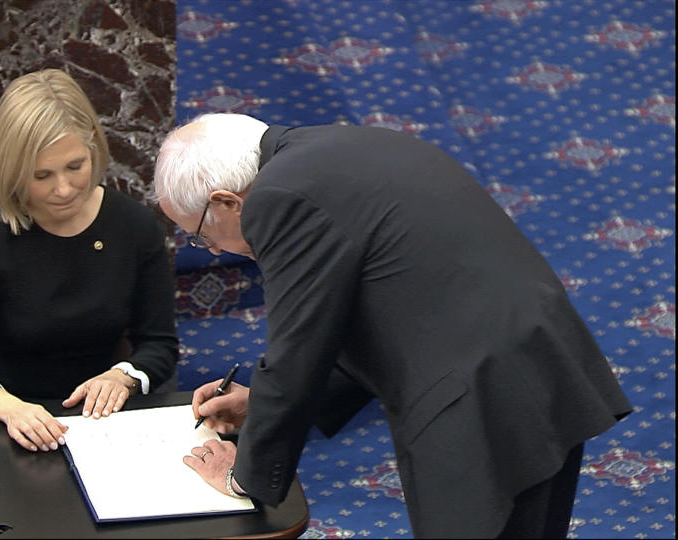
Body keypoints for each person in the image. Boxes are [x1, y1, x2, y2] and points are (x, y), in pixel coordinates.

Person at [152, 113, 632, 538]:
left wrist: (245, 476)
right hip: (539, 360)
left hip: (478, 397)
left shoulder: (278, 198)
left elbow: (296, 348)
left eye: (202, 236)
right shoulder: (345, 146)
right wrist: (261, 403)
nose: (213, 252)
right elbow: (370, 309)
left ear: (228, 202)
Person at [0, 69, 178, 454]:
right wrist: (10, 408)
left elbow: (159, 344)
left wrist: (120, 378)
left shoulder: (135, 226)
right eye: (41, 175)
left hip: (95, 424)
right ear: (10, 170)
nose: (63, 189)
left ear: (94, 148)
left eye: (75, 167)